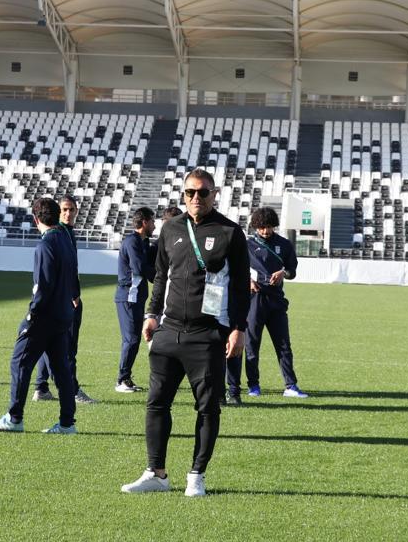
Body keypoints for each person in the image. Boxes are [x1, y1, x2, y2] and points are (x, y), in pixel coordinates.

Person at [121, 169, 249, 498]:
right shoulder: (170, 228)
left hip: (208, 334)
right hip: (169, 330)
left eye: (203, 192)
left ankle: (196, 475)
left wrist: (239, 329)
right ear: (183, 194)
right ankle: (156, 473)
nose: (196, 198)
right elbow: (161, 276)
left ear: (214, 194)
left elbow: (240, 286)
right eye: (190, 192)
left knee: (207, 408)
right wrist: (151, 315)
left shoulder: (230, 232)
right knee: (156, 403)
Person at [0, 197, 79, 435]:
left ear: (36, 220)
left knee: (20, 362)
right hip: (63, 315)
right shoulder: (66, 240)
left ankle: (14, 418)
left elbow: (42, 286)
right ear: (57, 215)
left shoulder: (46, 244)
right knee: (61, 370)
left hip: (44, 317)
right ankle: (67, 423)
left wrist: (31, 315)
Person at [226, 207, 307, 405]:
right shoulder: (246, 245)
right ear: (255, 226)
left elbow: (292, 271)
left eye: (269, 227)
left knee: (284, 345)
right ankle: (253, 385)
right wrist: (247, 281)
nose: (265, 231)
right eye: (262, 227)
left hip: (277, 300)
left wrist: (283, 273)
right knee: (252, 344)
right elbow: (234, 270)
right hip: (254, 300)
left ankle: (291, 386)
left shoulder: (284, 244)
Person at [32, 195, 96, 405]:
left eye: (72, 209)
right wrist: (73, 295)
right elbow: (65, 270)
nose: (68, 213)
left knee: (48, 341)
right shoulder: (59, 234)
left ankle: (41, 386)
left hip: (63, 298)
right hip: (64, 300)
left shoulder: (67, 232)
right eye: (64, 209)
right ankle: (72, 390)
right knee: (67, 347)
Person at [114, 207, 156, 393]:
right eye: (152, 222)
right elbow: (139, 267)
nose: (154, 226)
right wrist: (160, 278)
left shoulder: (143, 242)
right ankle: (121, 380)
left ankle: (126, 378)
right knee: (131, 339)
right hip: (128, 297)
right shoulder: (132, 241)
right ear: (144, 222)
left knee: (135, 339)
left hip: (136, 297)